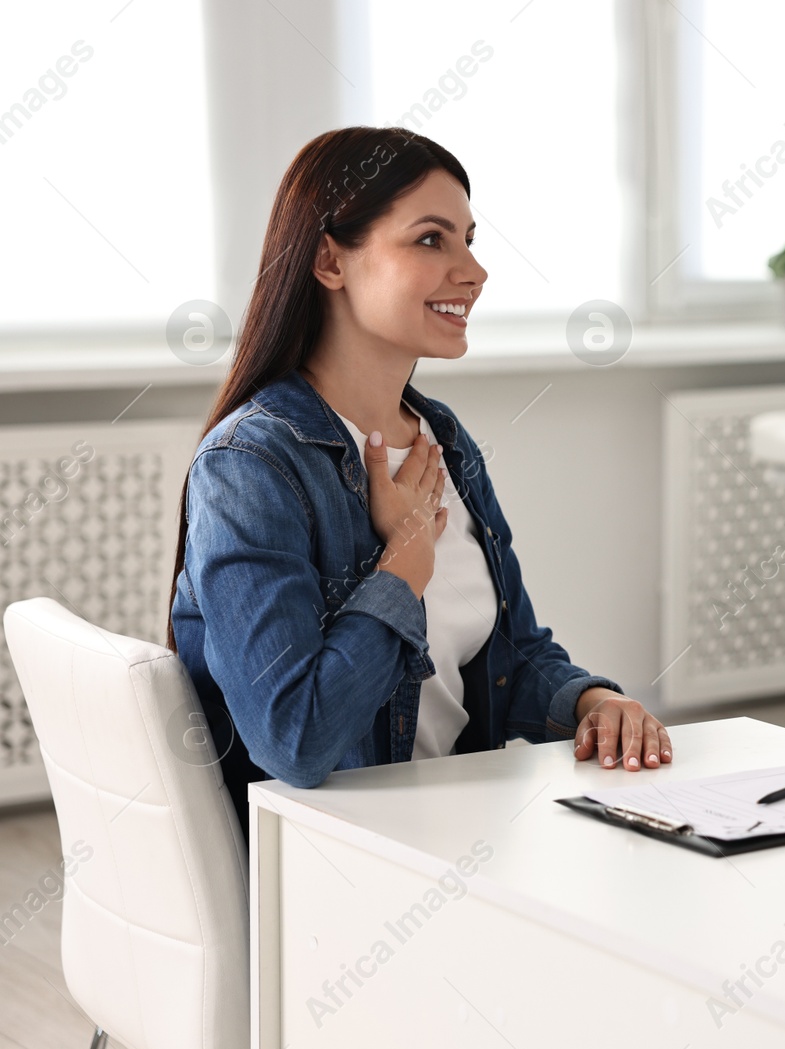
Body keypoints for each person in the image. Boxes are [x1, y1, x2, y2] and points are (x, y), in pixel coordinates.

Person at [169, 127, 671, 833]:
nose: (474, 270)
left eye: (469, 239)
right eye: (432, 240)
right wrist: (403, 566)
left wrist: (589, 702)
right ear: (328, 260)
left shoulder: (444, 441)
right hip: (337, 868)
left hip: (460, 832)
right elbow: (296, 741)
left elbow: (507, 654)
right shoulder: (250, 467)